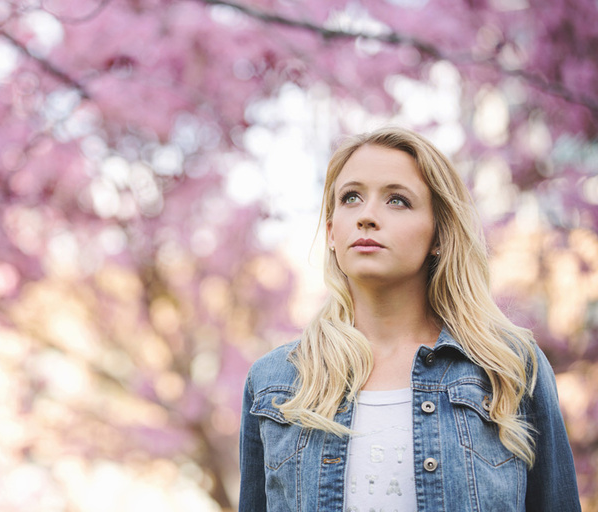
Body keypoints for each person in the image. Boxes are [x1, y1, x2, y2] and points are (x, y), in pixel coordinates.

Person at [238, 127, 581, 512]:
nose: (366, 216)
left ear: (438, 234)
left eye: (397, 200)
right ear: (332, 232)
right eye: (351, 198)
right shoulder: (274, 384)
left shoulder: (510, 368)